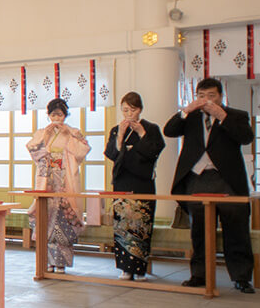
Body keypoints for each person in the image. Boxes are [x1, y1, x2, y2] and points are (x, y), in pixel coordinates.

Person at [163, 77, 256, 293]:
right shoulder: (191, 117)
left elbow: (246, 137)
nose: (206, 100)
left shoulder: (235, 116)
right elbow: (169, 130)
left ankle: (241, 277)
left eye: (211, 96)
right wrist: (186, 110)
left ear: (221, 97)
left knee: (236, 229)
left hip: (226, 180)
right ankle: (199, 275)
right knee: (200, 230)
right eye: (201, 96)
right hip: (198, 178)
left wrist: (222, 116)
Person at [103, 92, 165, 280]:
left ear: (139, 110)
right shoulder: (116, 129)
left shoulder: (151, 128)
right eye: (125, 110)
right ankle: (125, 268)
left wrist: (141, 134)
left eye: (132, 110)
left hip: (142, 183)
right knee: (122, 226)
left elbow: (154, 150)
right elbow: (111, 153)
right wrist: (120, 137)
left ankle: (140, 269)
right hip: (122, 181)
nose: (128, 114)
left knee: (141, 226)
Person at [27, 98, 91, 272]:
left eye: (60, 114)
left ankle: (61, 262)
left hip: (65, 180)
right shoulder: (41, 133)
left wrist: (70, 132)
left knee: (64, 220)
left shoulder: (72, 132)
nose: (56, 118)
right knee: (46, 220)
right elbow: (33, 151)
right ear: (48, 116)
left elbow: (82, 151)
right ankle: (48, 261)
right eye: (53, 114)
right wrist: (45, 136)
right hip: (47, 182)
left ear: (65, 115)